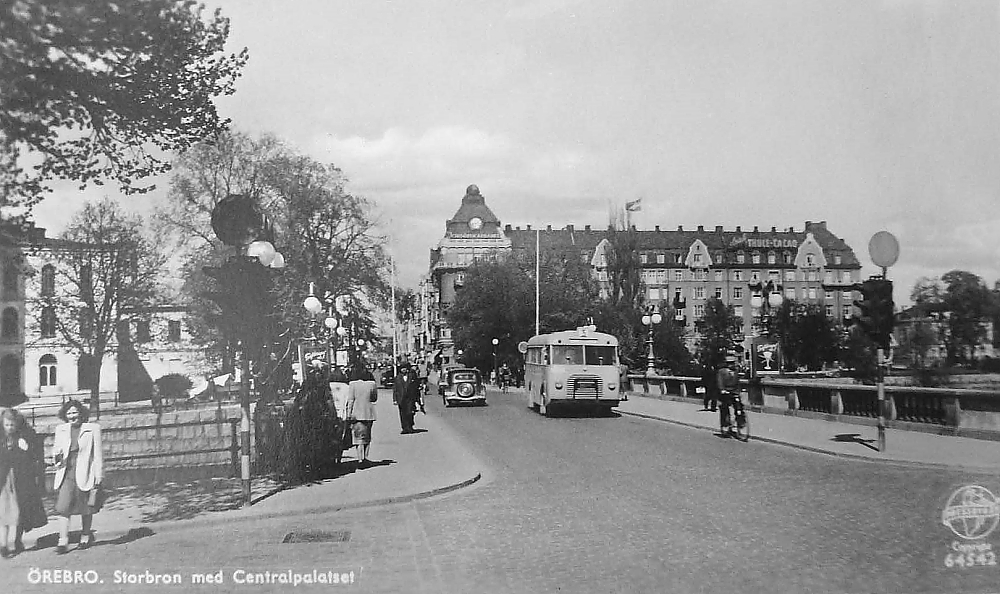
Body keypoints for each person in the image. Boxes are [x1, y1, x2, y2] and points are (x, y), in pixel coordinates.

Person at [51, 399, 103, 555]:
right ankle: (63, 540)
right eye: (69, 413)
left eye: (75, 412)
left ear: (81, 413)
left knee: (85, 507)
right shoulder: (61, 429)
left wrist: (98, 477)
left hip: (85, 471)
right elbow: (56, 452)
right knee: (63, 507)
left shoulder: (93, 429)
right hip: (66, 473)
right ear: (65, 416)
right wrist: (56, 457)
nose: (72, 416)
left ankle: (85, 536)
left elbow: (98, 455)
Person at [348, 365, 378, 467]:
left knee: (358, 438)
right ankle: (365, 457)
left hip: (356, 413)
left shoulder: (352, 384)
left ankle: (360, 459)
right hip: (368, 413)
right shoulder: (372, 384)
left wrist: (348, 414)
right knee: (367, 436)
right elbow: (374, 398)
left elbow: (350, 400)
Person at [328, 366, 352, 462]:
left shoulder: (328, 385)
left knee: (330, 436)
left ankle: (331, 457)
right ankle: (338, 457)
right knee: (340, 437)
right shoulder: (347, 387)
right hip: (342, 415)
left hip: (330, 415)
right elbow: (349, 402)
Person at [393, 362, 419, 434]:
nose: (403, 370)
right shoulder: (397, 378)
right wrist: (395, 399)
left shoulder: (411, 376)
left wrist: (417, 398)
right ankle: (404, 428)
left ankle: (410, 427)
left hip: (410, 398)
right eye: (402, 368)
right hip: (401, 398)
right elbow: (395, 389)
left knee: (410, 412)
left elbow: (416, 386)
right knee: (402, 414)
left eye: (404, 368)